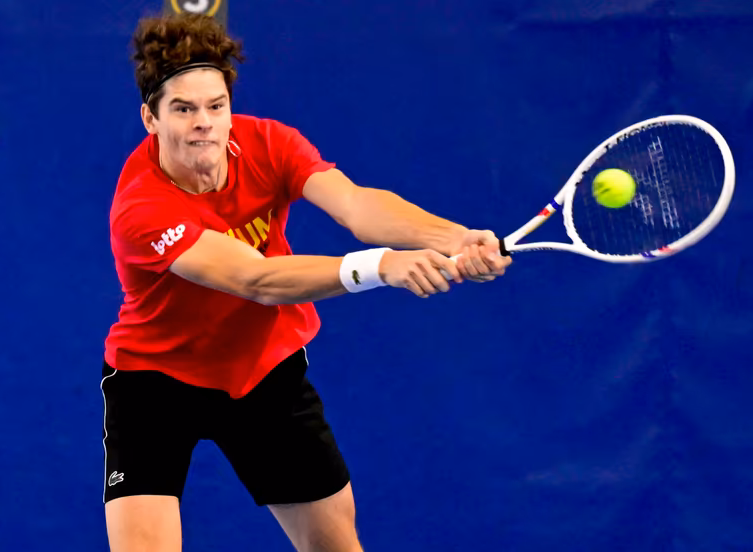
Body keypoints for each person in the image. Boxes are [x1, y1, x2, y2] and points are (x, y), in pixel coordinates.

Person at [102, 12, 511, 552]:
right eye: (184, 109)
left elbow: (356, 205)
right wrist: (381, 266)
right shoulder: (141, 208)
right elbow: (256, 279)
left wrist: (454, 237)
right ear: (150, 119)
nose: (204, 122)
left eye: (216, 106)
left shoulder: (269, 143)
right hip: (156, 381)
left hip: (264, 369)